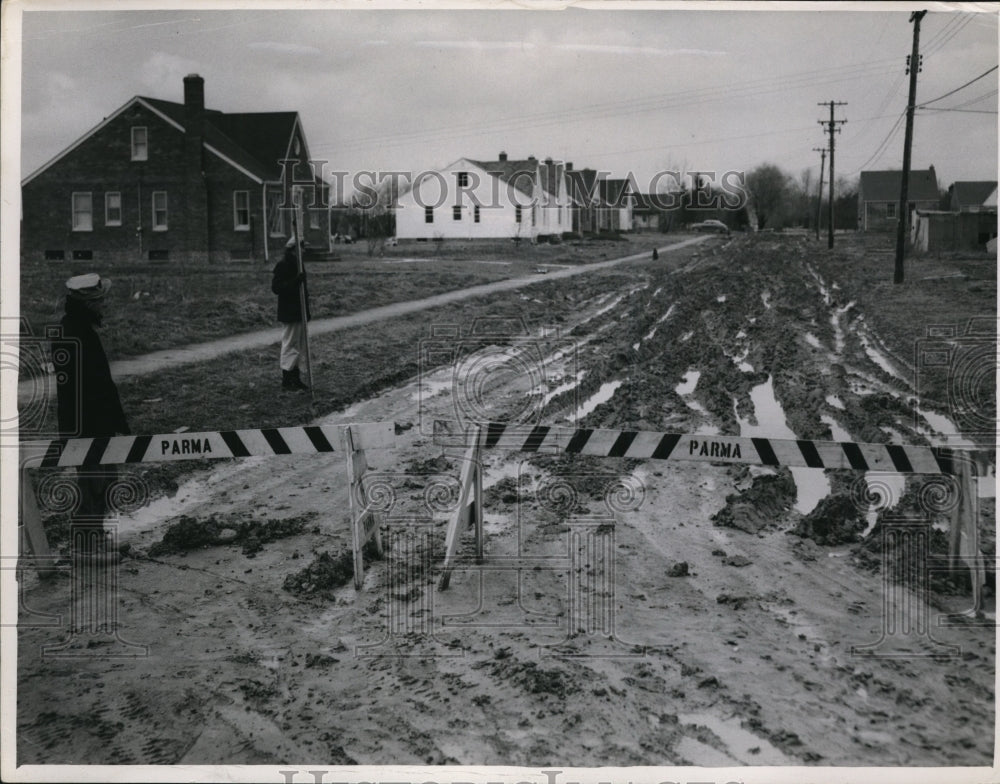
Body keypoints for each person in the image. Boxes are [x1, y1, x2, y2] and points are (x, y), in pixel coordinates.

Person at [53, 273, 130, 562]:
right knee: (92, 483)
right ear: (87, 303)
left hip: (98, 423)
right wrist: (90, 430)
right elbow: (77, 388)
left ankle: (97, 536)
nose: (104, 306)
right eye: (99, 301)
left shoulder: (82, 328)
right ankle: (84, 546)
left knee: (106, 480)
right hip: (86, 425)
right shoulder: (70, 332)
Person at [271, 235, 311, 391]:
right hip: (290, 312)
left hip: (299, 312)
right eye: (302, 247)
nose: (304, 250)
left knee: (299, 346)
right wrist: (296, 281)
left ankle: (296, 379)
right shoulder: (284, 265)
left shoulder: (299, 264)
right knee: (289, 345)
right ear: (294, 249)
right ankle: (287, 380)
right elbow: (277, 288)